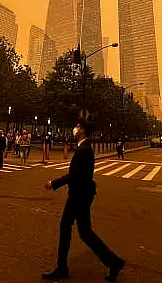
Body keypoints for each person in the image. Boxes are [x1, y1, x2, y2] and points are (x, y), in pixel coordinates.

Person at [43, 118, 125, 282]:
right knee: (85, 232)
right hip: (83, 195)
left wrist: (53, 183)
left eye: (77, 126)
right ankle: (113, 262)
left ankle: (62, 268)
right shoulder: (85, 148)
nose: (75, 128)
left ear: (82, 131)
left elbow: (75, 175)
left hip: (78, 196)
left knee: (66, 226)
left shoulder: (84, 150)